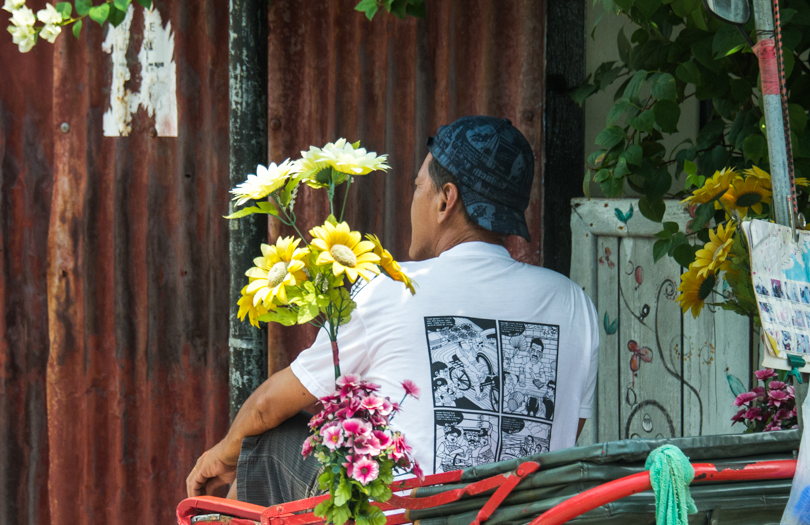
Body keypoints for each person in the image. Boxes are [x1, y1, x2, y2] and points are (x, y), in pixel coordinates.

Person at [186, 116, 600, 503]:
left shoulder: (394, 285)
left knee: (268, 441)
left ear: (445, 200)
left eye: (418, 187)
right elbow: (564, 431)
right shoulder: (573, 303)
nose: (413, 200)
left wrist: (221, 454)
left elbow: (266, 407)